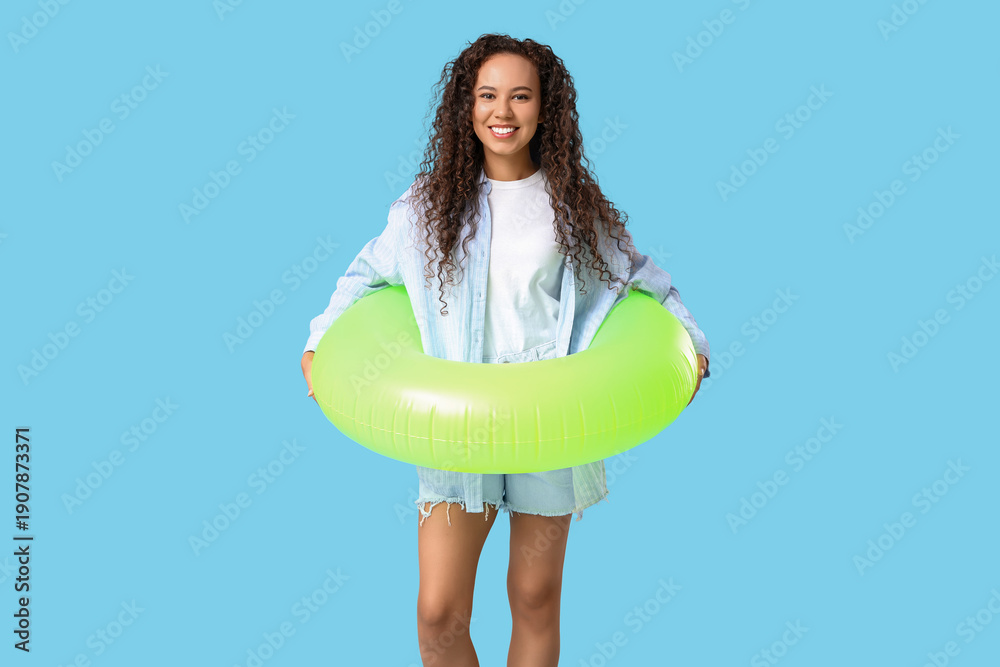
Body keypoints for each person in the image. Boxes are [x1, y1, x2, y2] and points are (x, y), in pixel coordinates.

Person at [300, 33, 710, 667]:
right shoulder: (427, 206)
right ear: (466, 106)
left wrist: (691, 339)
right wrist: (321, 339)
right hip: (456, 418)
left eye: (521, 96)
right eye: (488, 95)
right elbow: (364, 276)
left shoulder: (572, 207)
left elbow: (641, 279)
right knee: (438, 613)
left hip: (549, 417)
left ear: (545, 109)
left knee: (534, 595)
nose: (503, 111)